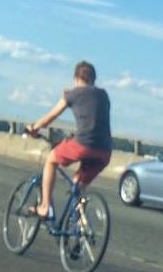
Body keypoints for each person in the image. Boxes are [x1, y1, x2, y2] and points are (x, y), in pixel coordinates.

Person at [25, 61, 112, 219]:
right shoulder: (104, 95)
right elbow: (89, 102)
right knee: (78, 185)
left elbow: (51, 115)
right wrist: (72, 94)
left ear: (76, 77)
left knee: (51, 159)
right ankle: (80, 224)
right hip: (105, 151)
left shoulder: (72, 95)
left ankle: (44, 207)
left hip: (83, 145)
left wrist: (34, 127)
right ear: (93, 79)